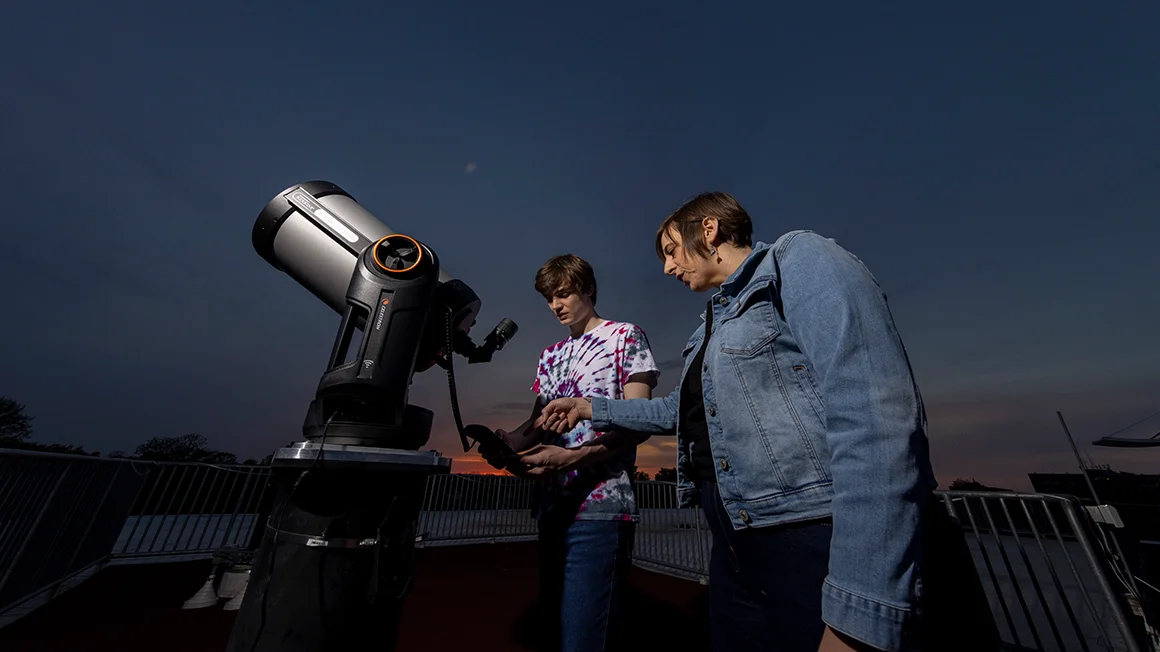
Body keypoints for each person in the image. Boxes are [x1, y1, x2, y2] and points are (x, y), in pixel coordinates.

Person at [535, 193, 1000, 652]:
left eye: (672, 251)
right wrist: (589, 407)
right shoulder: (709, 327)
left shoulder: (799, 259)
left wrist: (864, 609)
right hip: (738, 545)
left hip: (814, 536)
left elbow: (877, 417)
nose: (667, 268)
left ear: (709, 230)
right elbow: (677, 412)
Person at [478, 253, 660, 652]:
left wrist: (573, 457)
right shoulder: (550, 354)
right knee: (554, 633)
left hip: (600, 507)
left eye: (563, 294)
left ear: (588, 288)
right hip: (552, 506)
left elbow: (641, 421)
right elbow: (533, 427)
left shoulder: (625, 336)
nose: (556, 305)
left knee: (584, 638)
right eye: (549, 298)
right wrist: (504, 445)